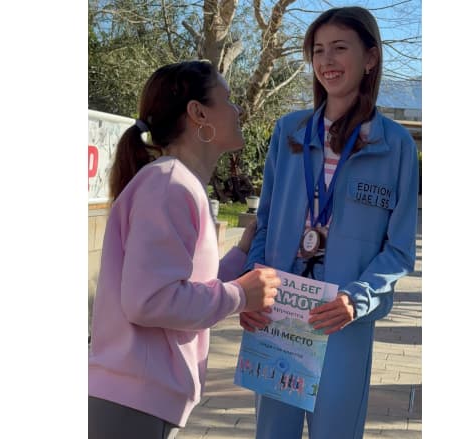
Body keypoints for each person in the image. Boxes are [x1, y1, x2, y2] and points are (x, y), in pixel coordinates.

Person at [239, 7, 419, 439]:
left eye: (340, 48)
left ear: (370, 58)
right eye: (318, 50)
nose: (327, 61)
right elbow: (263, 222)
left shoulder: (395, 146)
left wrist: (356, 300)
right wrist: (254, 287)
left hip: (341, 319)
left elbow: (397, 249)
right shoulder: (290, 132)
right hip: (278, 313)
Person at [88, 60, 281, 439]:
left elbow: (187, 284)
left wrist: (240, 256)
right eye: (227, 99)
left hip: (139, 397)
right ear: (198, 113)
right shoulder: (168, 185)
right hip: (133, 401)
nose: (238, 110)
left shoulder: (177, 183)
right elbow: (150, 301)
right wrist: (240, 295)